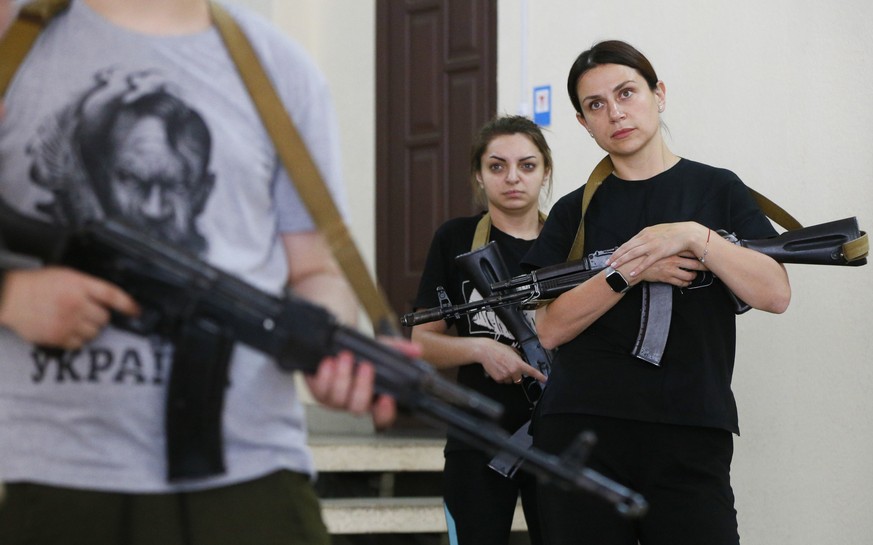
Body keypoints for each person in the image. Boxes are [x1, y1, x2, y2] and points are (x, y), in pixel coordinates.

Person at [0, 1, 403, 544]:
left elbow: (315, 271)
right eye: (133, 181)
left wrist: (326, 346)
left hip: (250, 470)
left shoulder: (277, 68)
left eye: (175, 188)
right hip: (47, 474)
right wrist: (10, 294)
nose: (157, 207)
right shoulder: (14, 40)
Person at [523, 40, 791, 545]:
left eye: (626, 93)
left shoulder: (718, 190)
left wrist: (695, 236)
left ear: (658, 94)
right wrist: (630, 271)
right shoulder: (574, 211)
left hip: (690, 427)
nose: (615, 113)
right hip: (581, 429)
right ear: (583, 123)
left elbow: (775, 292)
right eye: (595, 105)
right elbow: (550, 327)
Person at [411, 114, 551, 545]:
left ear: (545, 173)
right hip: (477, 434)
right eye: (497, 166)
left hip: (558, 433)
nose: (513, 178)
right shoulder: (455, 239)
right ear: (478, 174)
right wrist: (480, 350)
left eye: (527, 165)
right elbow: (422, 342)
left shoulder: (567, 240)